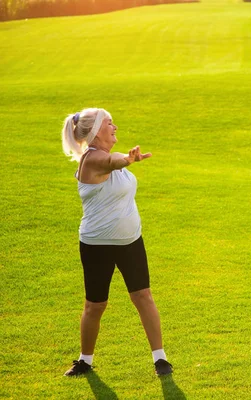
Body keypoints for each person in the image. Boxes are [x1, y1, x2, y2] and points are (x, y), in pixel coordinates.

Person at [61, 108, 173, 377]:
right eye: (109, 123)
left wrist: (127, 159)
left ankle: (160, 359)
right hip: (97, 245)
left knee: (142, 295)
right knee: (95, 305)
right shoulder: (91, 160)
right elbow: (111, 162)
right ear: (96, 129)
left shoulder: (108, 157)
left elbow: (116, 160)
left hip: (130, 241)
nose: (115, 127)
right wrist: (128, 160)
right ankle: (85, 361)